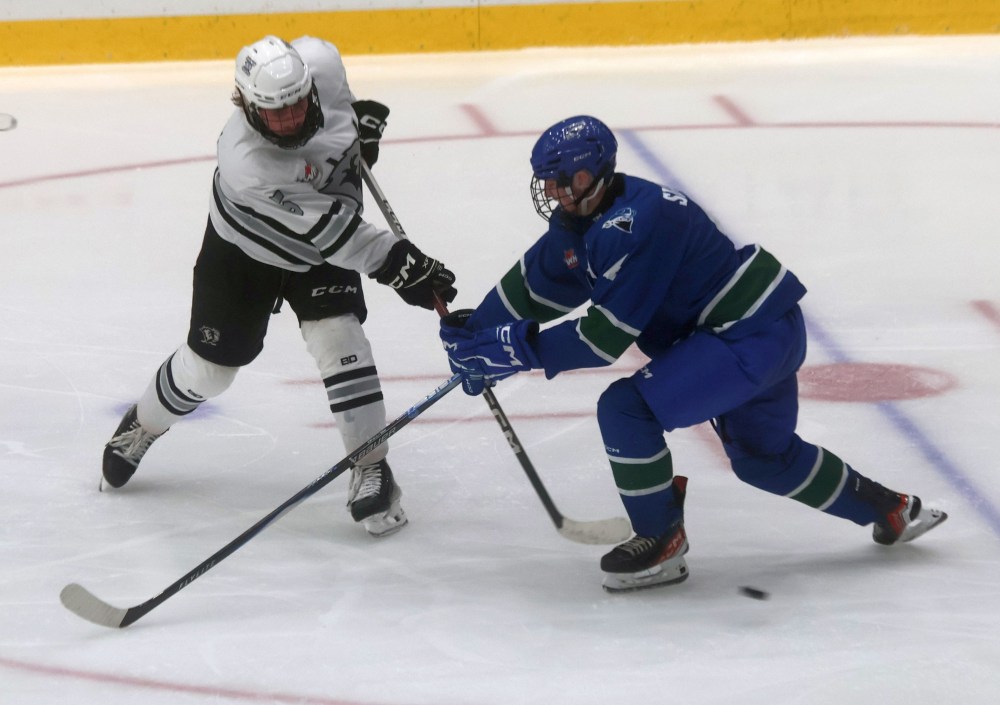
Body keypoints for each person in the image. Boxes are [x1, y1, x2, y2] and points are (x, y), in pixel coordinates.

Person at [439, 115, 946, 592]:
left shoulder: (635, 224)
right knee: (764, 460)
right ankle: (891, 508)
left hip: (745, 335)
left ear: (591, 173)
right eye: (544, 182)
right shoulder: (582, 221)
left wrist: (512, 350)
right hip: (758, 329)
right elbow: (538, 282)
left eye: (559, 180)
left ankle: (661, 541)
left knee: (626, 409)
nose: (551, 192)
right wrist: (478, 330)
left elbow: (602, 339)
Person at [102, 35, 456, 538]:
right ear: (247, 107)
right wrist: (401, 266)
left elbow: (339, 129)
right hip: (245, 250)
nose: (289, 119)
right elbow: (337, 234)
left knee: (340, 339)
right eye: (274, 113)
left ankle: (371, 464)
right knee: (210, 371)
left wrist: (357, 137)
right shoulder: (248, 162)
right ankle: (144, 422)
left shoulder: (322, 63)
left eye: (295, 104)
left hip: (319, 251)